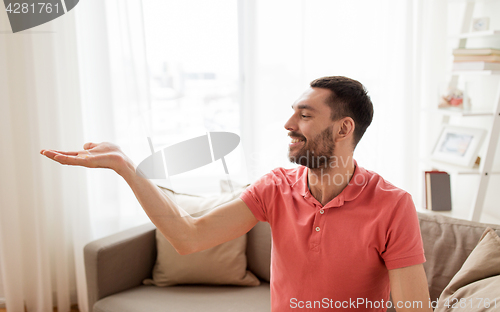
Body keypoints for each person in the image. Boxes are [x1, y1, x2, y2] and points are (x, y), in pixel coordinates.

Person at [41, 76, 432, 312]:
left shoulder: (392, 204)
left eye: (306, 115)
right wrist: (127, 167)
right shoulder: (276, 187)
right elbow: (188, 237)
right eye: (293, 112)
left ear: (344, 129)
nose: (289, 123)